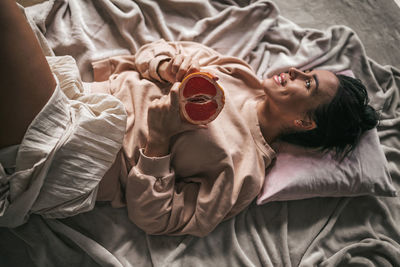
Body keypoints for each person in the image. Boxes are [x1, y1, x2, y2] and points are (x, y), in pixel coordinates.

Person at [0, 0, 377, 235]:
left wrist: (159, 141)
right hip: (81, 95)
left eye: (307, 83)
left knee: (8, 16)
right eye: (303, 70)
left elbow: (158, 218)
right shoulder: (238, 73)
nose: (294, 70)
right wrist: (166, 66)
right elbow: (153, 52)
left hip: (83, 153)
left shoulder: (245, 171)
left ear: (304, 122)